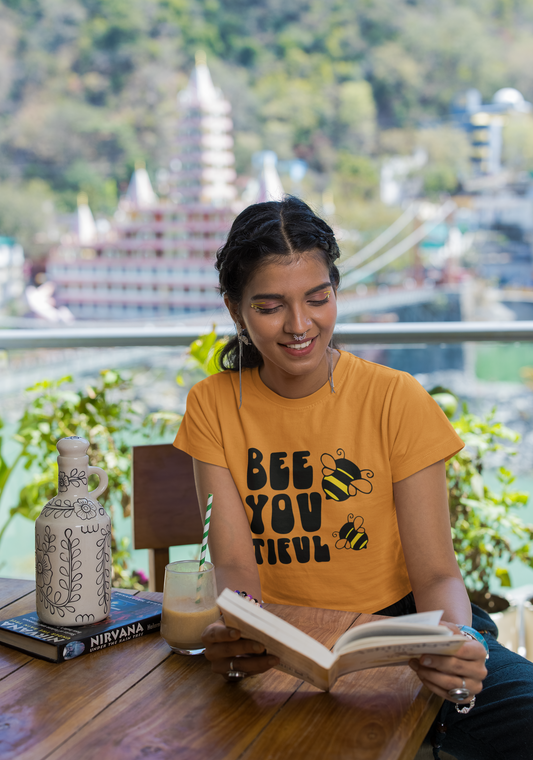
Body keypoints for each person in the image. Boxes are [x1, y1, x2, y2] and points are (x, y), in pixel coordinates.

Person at [174, 196, 533, 760]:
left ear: (336, 293)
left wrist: (456, 643)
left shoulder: (396, 397)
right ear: (234, 308)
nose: (300, 326)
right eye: (270, 307)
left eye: (318, 299)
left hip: (403, 627)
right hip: (281, 639)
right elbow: (237, 569)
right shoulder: (213, 405)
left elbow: (437, 574)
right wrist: (240, 632)